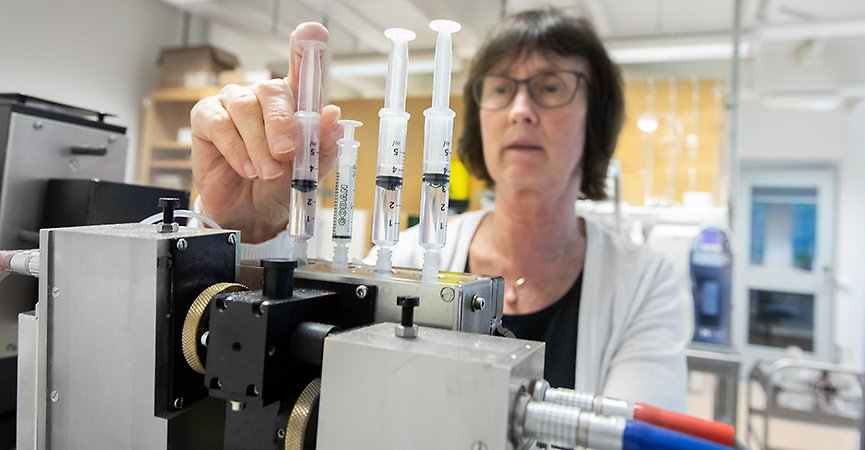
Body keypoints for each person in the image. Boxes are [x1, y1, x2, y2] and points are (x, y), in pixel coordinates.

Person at [190, 8, 688, 411]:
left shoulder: (646, 283)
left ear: (595, 119)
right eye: (500, 88)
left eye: (551, 86)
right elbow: (315, 392)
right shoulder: (406, 253)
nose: (520, 109)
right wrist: (252, 231)